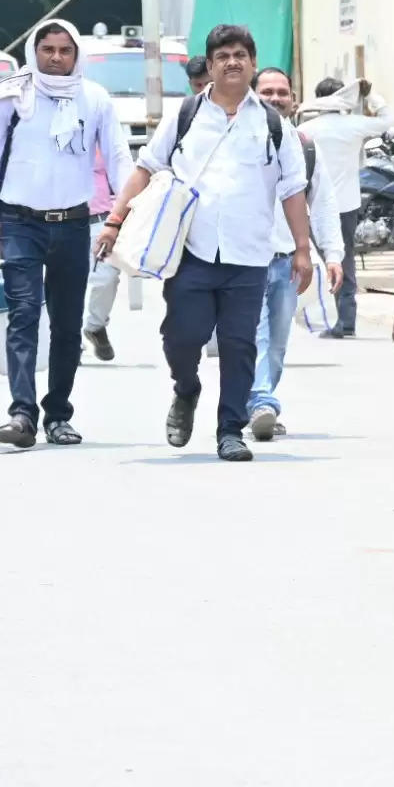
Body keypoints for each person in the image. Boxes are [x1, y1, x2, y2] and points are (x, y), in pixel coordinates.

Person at [95, 25, 313, 463]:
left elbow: (293, 190)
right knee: (182, 336)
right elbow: (145, 167)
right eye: (223, 56)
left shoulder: (274, 124)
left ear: (252, 63)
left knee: (240, 344)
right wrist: (115, 221)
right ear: (210, 66)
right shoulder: (187, 114)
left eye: (241, 55)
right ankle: (186, 389)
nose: (233, 62)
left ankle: (230, 429)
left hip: (250, 255)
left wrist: (302, 250)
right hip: (190, 252)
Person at [0, 19, 131, 450]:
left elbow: (118, 161)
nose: (55, 58)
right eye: (47, 50)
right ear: (33, 52)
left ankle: (58, 413)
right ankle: (22, 414)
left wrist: (125, 218)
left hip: (75, 225)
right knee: (23, 315)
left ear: (77, 54)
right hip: (20, 224)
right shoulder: (11, 97)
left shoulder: (94, 99)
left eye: (64, 50)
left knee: (68, 324)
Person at [247, 67, 345, 441]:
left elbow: (322, 204)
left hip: (289, 261)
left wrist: (332, 254)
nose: (274, 97)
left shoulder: (304, 145)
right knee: (254, 336)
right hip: (245, 260)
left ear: (293, 100)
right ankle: (261, 402)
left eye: (281, 92)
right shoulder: (240, 138)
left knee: (278, 341)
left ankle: (258, 399)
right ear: (253, 95)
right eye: (266, 91)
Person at [296, 76, 394, 339]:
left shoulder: (308, 128)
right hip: (347, 203)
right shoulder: (354, 125)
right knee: (345, 259)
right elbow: (389, 120)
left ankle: (328, 318)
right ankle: (346, 319)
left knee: (321, 260)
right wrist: (372, 95)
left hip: (315, 203)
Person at [81, 108, 132, 363]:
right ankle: (69, 343)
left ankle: (94, 325)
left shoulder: (106, 138)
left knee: (107, 278)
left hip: (102, 219)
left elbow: (125, 173)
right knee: (64, 284)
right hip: (61, 221)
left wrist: (122, 215)